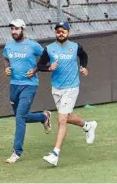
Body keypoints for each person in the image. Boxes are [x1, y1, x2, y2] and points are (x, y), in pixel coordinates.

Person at [37, 21, 98, 167]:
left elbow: (83, 56)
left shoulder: (75, 47)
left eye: (63, 30)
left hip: (71, 87)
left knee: (62, 120)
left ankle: (55, 154)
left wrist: (83, 67)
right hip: (56, 88)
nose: (60, 33)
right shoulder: (49, 49)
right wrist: (49, 68)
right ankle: (88, 126)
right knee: (67, 116)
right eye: (58, 31)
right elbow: (40, 65)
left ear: (68, 32)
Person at [3, 19, 52, 163]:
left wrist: (36, 69)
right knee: (21, 116)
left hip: (29, 85)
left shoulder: (32, 45)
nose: (14, 32)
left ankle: (16, 152)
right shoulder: (8, 45)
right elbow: (6, 58)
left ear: (23, 29)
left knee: (19, 118)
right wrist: (6, 68)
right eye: (12, 29)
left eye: (16, 29)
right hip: (14, 85)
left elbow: (46, 57)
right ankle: (44, 117)